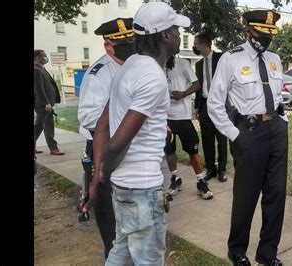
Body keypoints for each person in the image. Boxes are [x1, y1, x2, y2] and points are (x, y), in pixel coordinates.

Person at [82, 2, 190, 264]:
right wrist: (100, 176)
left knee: (121, 250)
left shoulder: (128, 67)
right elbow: (118, 142)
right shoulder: (152, 76)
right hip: (142, 187)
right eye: (175, 30)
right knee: (148, 259)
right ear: (164, 35)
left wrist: (98, 175)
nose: (178, 35)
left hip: (123, 185)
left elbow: (103, 126)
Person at [207, 10, 288, 265]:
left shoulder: (275, 59)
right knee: (246, 195)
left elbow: (277, 96)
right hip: (249, 133)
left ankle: (268, 253)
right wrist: (235, 135)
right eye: (260, 33)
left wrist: (282, 121)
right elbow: (214, 104)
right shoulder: (231, 59)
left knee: (276, 194)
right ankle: (237, 250)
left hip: (276, 129)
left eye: (269, 34)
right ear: (248, 31)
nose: (265, 39)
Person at [77, 17, 135, 259]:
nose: (131, 46)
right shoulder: (99, 73)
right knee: (109, 214)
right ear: (109, 46)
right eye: (125, 43)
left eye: (133, 40)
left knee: (131, 211)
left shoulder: (134, 66)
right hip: (105, 148)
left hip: (130, 149)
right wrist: (127, 117)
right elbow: (87, 116)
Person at [164, 55, 214, 199]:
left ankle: (201, 182)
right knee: (169, 151)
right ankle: (175, 179)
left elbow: (197, 84)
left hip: (183, 117)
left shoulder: (183, 63)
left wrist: (183, 94)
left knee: (193, 151)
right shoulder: (157, 65)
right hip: (165, 118)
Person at [193, 33, 228, 182]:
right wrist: (197, 108)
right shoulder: (198, 64)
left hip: (220, 104)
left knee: (221, 139)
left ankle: (221, 170)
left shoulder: (221, 58)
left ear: (204, 44)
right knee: (207, 139)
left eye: (196, 44)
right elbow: (199, 87)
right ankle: (211, 169)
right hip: (205, 105)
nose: (194, 46)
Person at [34, 49, 64, 155]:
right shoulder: (36, 70)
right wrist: (46, 103)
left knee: (38, 126)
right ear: (37, 57)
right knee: (48, 127)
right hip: (43, 104)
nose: (46, 58)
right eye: (44, 56)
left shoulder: (41, 68)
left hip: (45, 103)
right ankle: (53, 148)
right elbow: (38, 89)